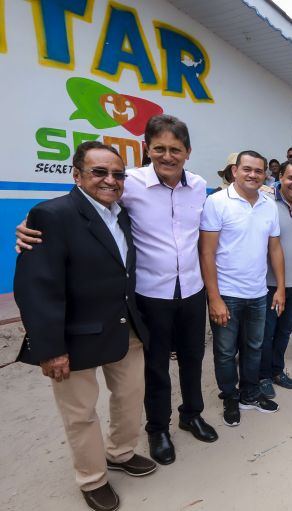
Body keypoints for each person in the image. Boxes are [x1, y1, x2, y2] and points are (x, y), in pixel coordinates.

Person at [18, 115, 219, 464]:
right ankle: (158, 429)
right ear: (147, 149)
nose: (167, 156)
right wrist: (27, 225)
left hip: (190, 290)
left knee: (193, 358)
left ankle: (192, 414)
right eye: (159, 149)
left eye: (175, 150)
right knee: (153, 366)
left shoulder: (200, 185)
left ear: (188, 152)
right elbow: (82, 207)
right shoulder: (129, 184)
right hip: (149, 294)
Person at [14, 141, 156, 511]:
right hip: (72, 336)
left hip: (124, 327)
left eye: (117, 174)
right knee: (80, 413)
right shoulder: (51, 215)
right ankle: (92, 478)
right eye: (99, 172)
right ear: (76, 175)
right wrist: (49, 348)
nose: (110, 180)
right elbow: (36, 288)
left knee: (129, 397)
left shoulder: (122, 214)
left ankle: (121, 452)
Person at [199, 151, 286, 427]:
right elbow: (207, 253)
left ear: (265, 175)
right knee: (225, 351)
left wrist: (280, 288)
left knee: (254, 346)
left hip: (258, 292)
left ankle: (250, 393)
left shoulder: (269, 204)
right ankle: (230, 397)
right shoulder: (216, 202)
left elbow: (274, 247)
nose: (253, 175)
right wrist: (214, 297)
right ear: (234, 171)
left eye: (259, 171)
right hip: (226, 294)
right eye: (247, 169)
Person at [259, 160, 292, 397]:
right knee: (266, 333)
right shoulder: (265, 202)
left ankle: (277, 370)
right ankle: (262, 376)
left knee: (285, 330)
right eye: (291, 178)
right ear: (280, 177)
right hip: (268, 284)